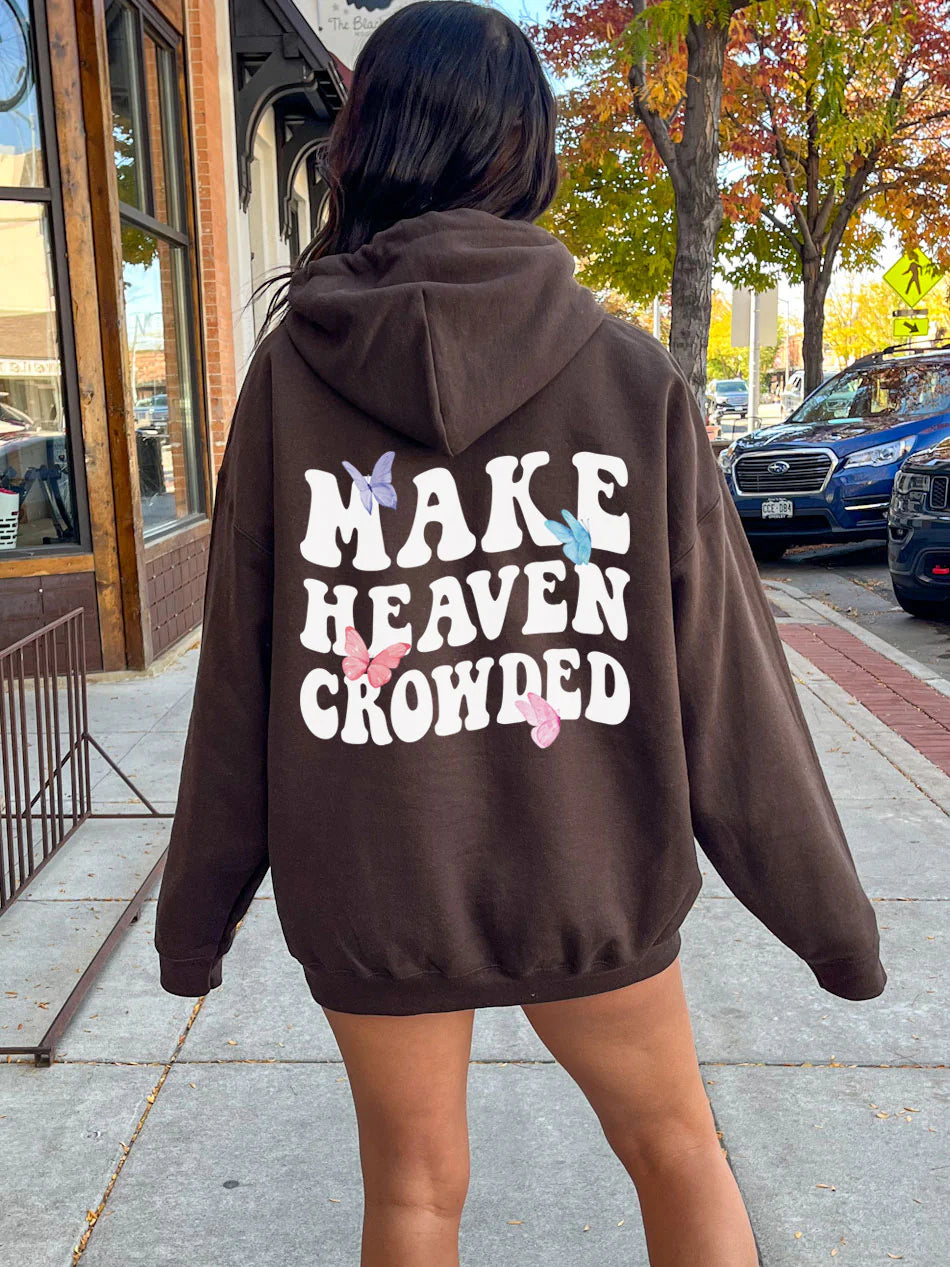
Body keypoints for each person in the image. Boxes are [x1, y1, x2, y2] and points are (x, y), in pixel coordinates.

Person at [153, 4, 886, 1264]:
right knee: (675, 1146)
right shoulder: (628, 378)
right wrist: (831, 926)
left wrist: (196, 921)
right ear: (524, 150)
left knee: (411, 1192)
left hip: (374, 877)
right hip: (586, 867)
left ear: (365, 146)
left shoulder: (289, 377)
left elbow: (241, 676)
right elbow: (728, 681)